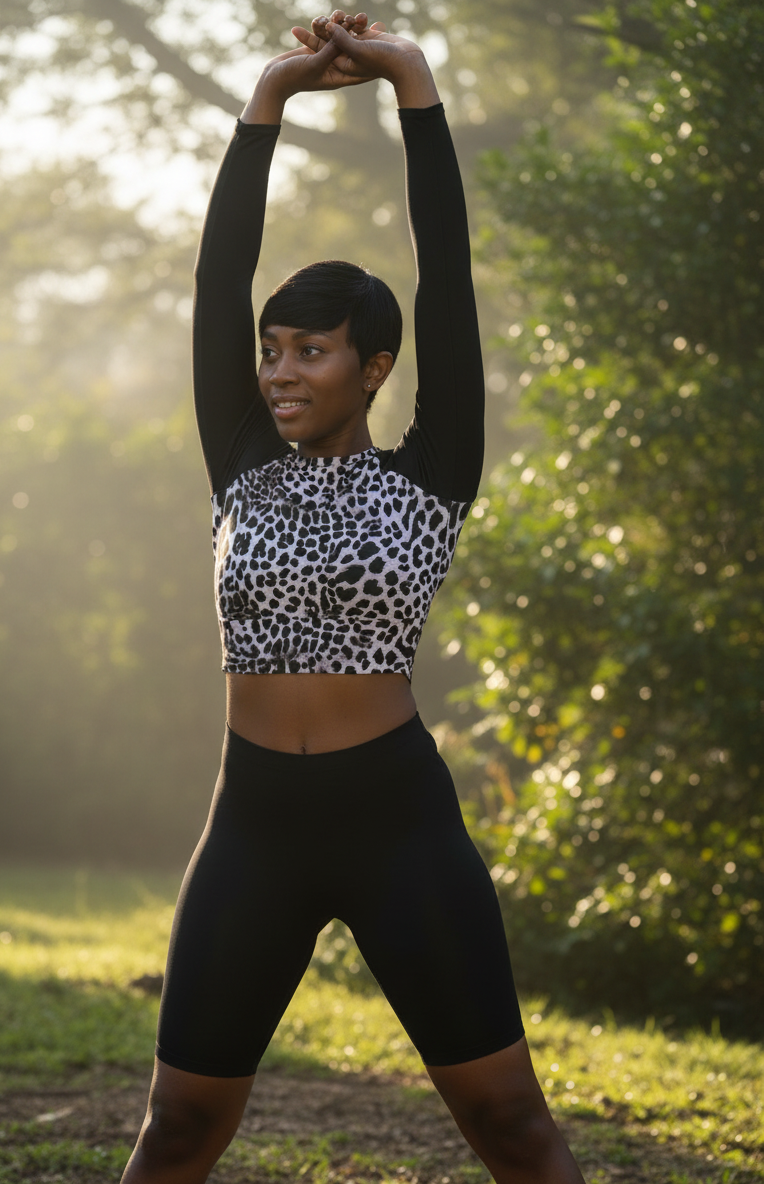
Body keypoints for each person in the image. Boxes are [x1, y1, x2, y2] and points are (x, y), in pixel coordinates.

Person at [122, 12, 585, 1184]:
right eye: (272, 349)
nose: (279, 370)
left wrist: (412, 86)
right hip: (254, 825)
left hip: (398, 825)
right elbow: (217, 271)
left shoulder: (433, 471)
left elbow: (449, 274)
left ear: (373, 366)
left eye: (310, 351)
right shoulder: (241, 461)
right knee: (178, 1127)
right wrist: (266, 99)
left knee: (513, 1125)